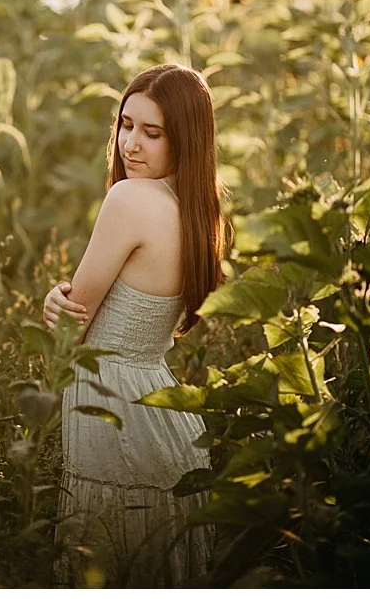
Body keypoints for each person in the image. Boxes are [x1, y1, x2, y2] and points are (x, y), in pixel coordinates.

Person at [40, 64, 227, 587]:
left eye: (152, 132)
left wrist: (52, 304)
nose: (131, 144)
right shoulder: (198, 212)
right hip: (163, 410)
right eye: (125, 125)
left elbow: (69, 335)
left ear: (184, 139)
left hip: (111, 405)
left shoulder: (129, 200)